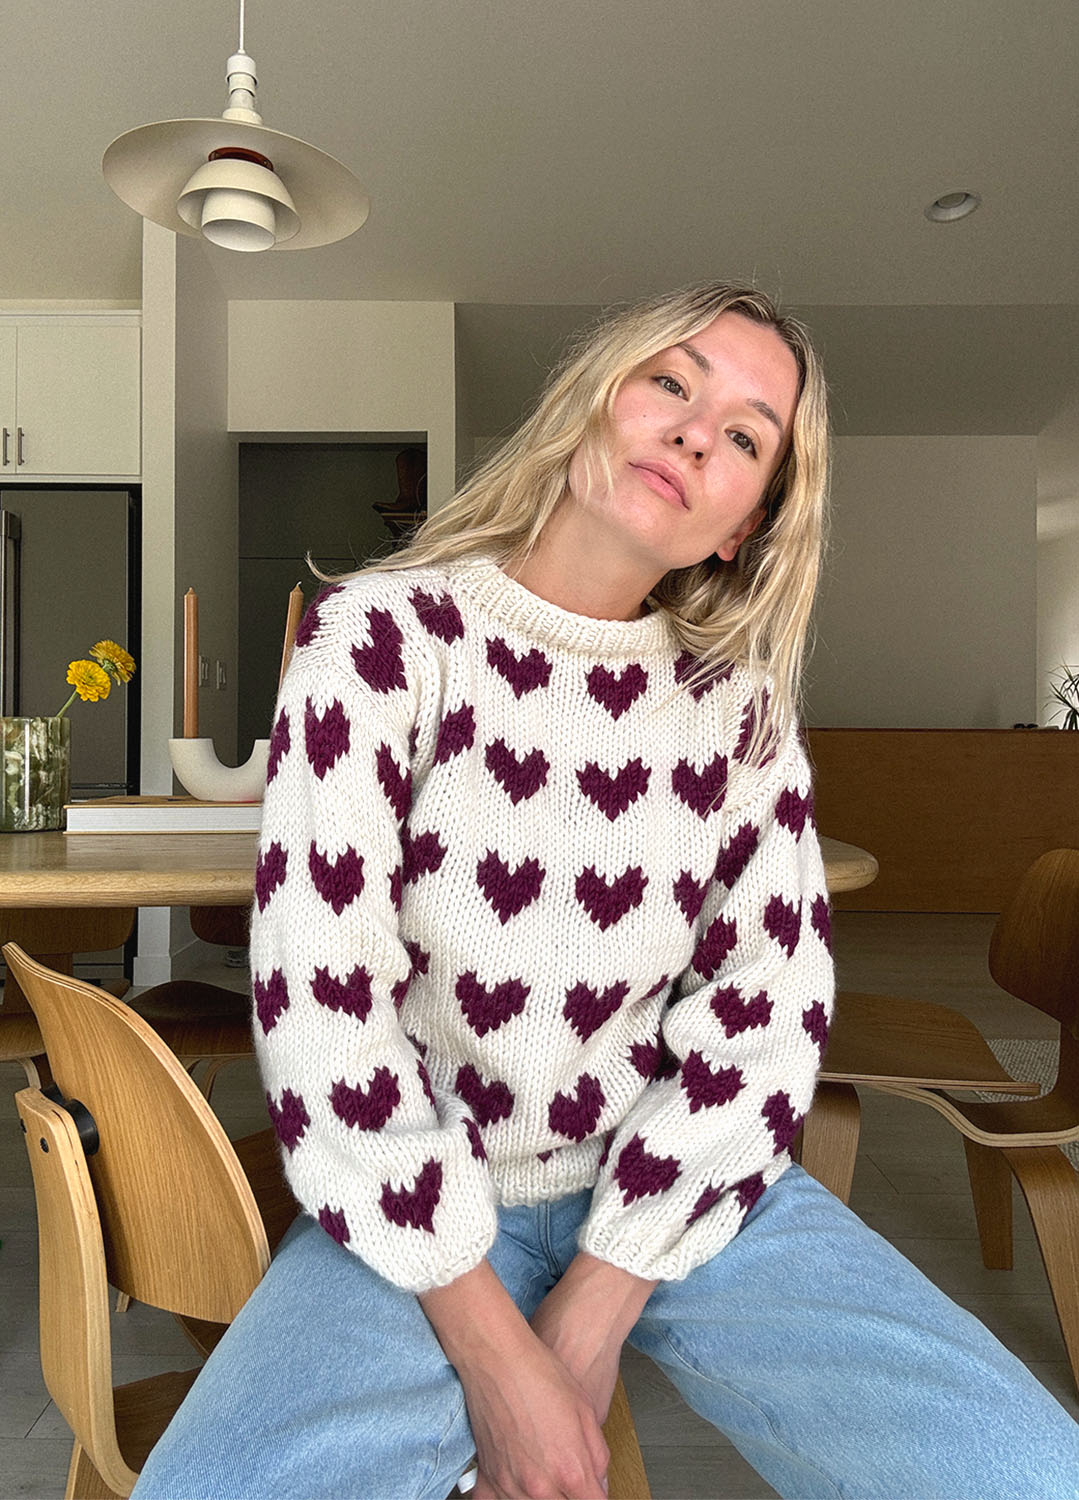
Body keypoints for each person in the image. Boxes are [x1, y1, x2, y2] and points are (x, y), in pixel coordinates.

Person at [133, 283, 1079, 1500]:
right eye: (670, 382)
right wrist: (494, 1360)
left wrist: (587, 1323)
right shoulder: (379, 641)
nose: (693, 432)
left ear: (743, 525)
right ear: (591, 402)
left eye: (744, 436)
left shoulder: (737, 712)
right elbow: (323, 1011)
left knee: (1028, 1470)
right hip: (412, 1206)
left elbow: (763, 1018)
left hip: (683, 1191)